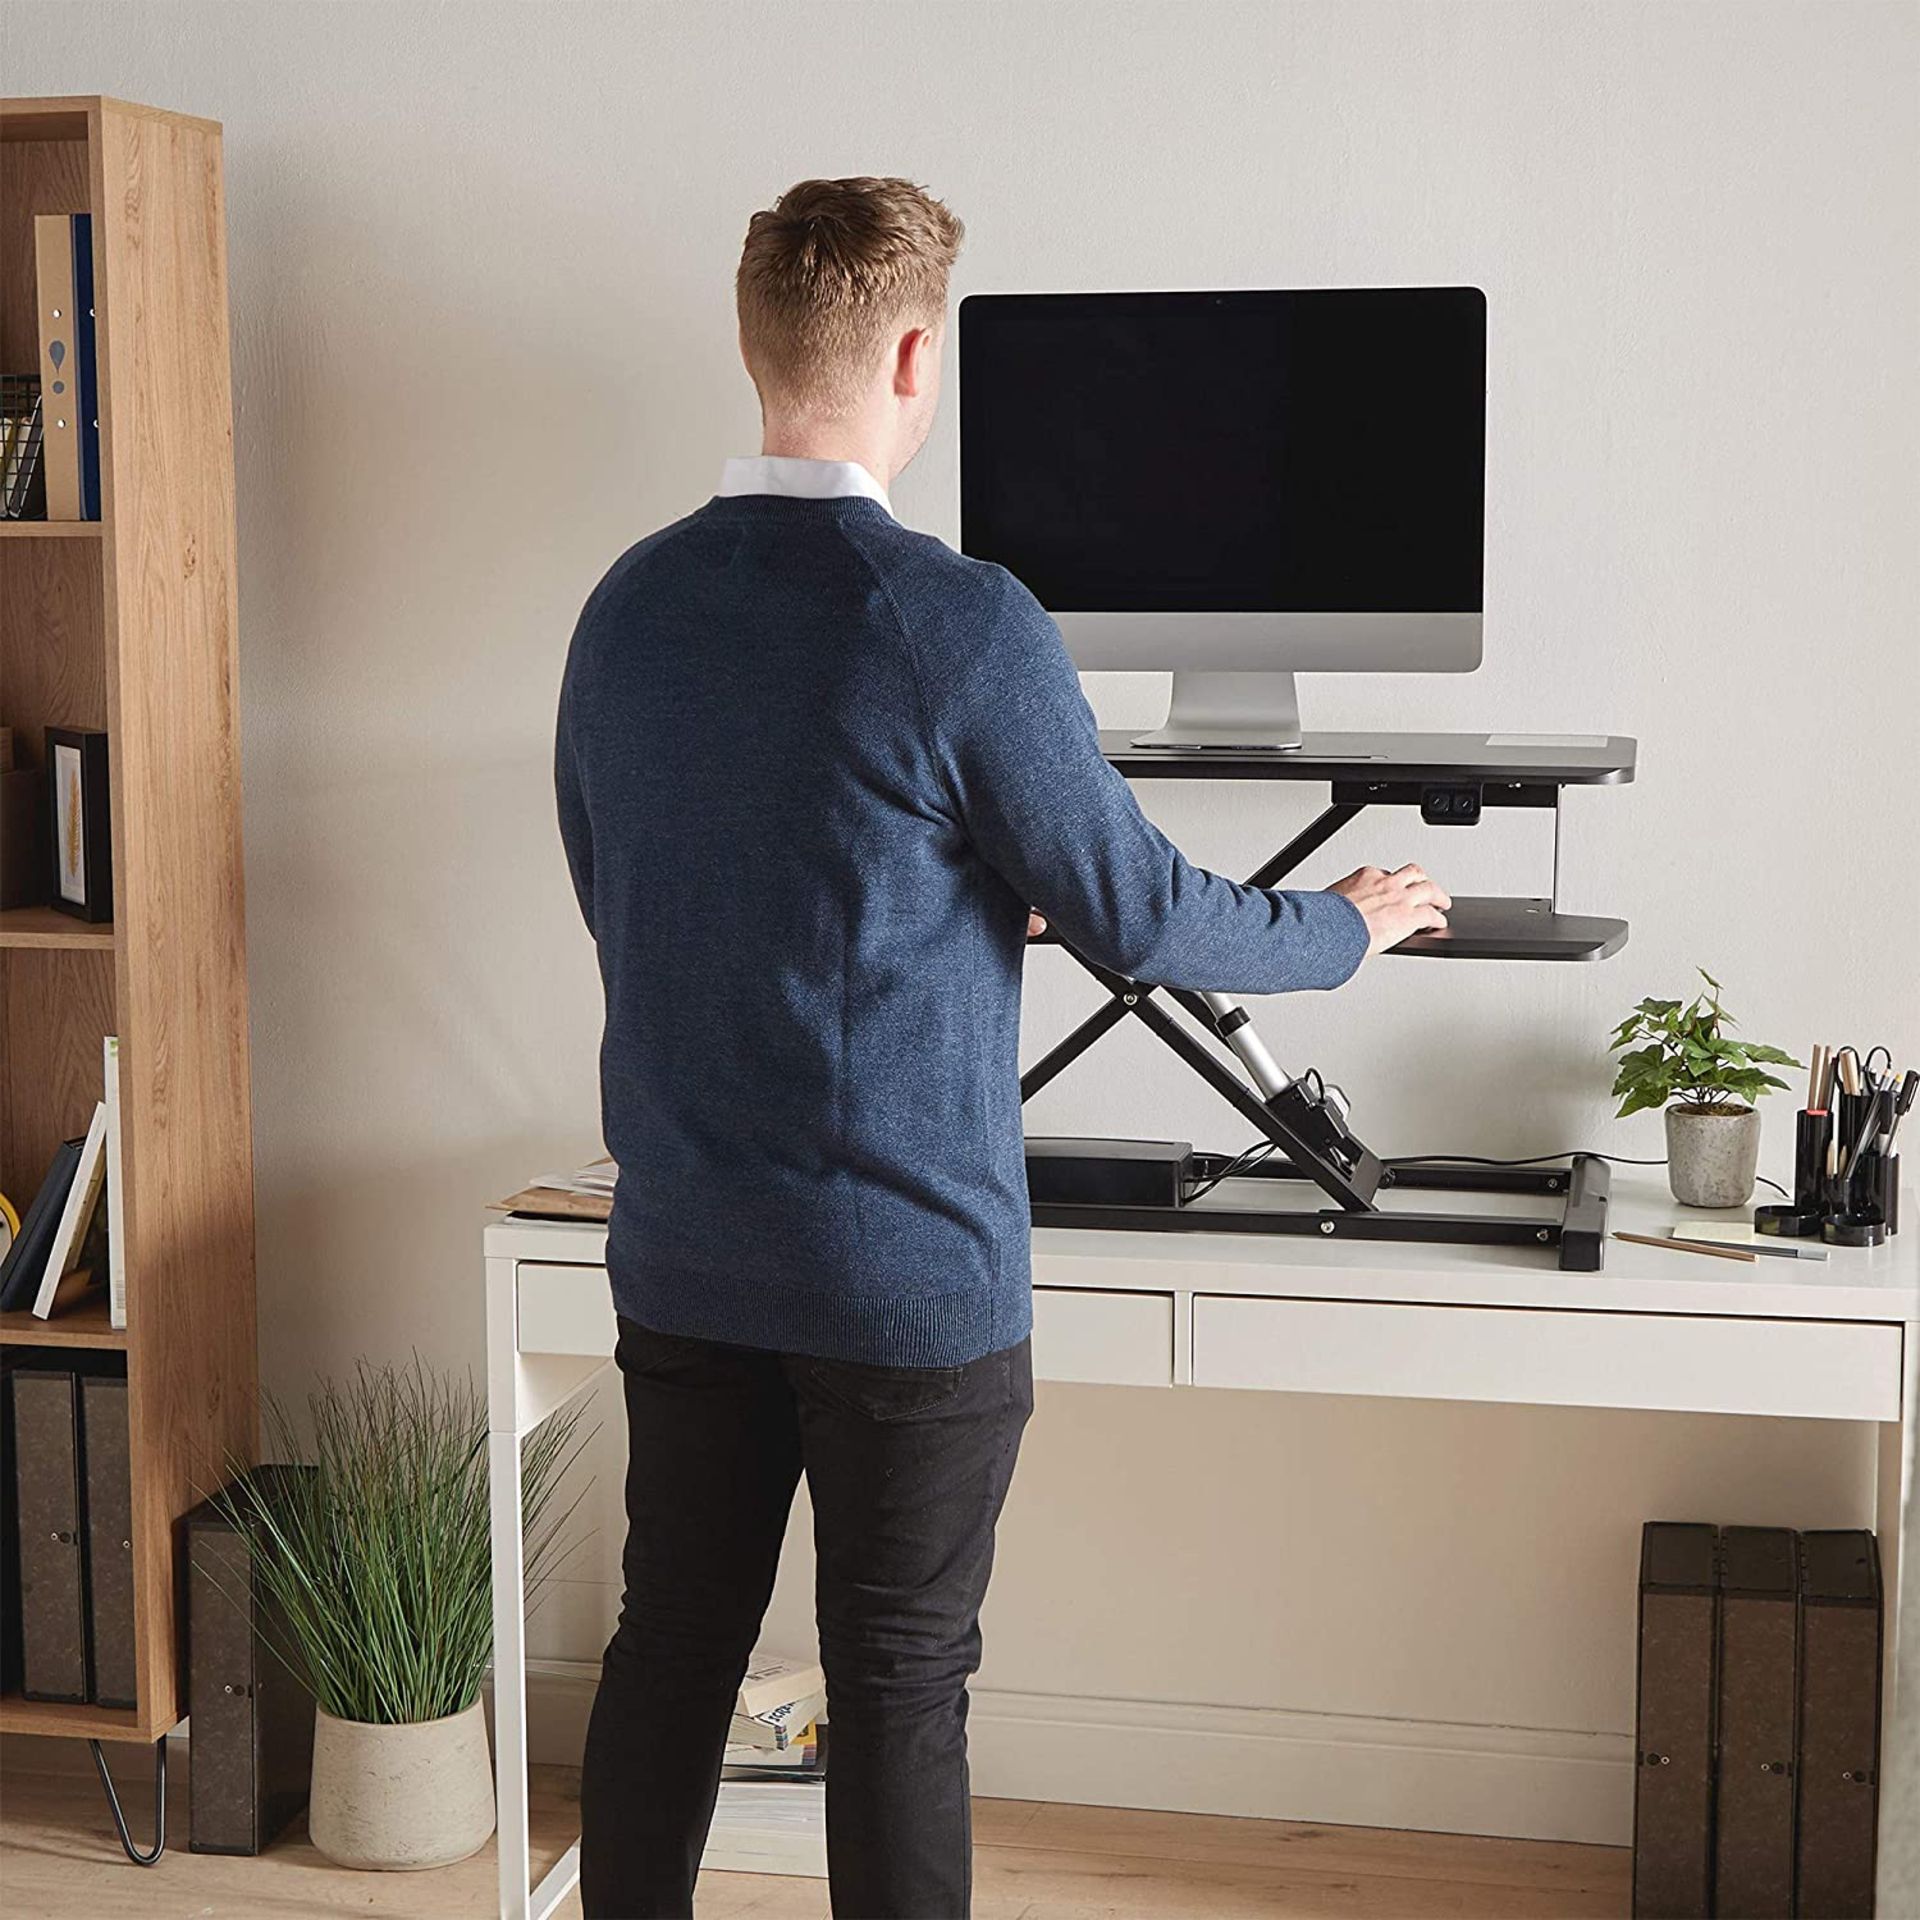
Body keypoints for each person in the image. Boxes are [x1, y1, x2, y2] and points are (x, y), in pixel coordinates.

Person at [555, 176, 1449, 1920]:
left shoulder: (626, 610)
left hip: (686, 1253)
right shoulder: (959, 622)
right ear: (911, 355)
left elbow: (641, 897)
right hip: (903, 1281)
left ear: (755, 350)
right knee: (898, 1687)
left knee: (670, 1650)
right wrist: (1353, 918)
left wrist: (950, 898)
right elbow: (1154, 917)